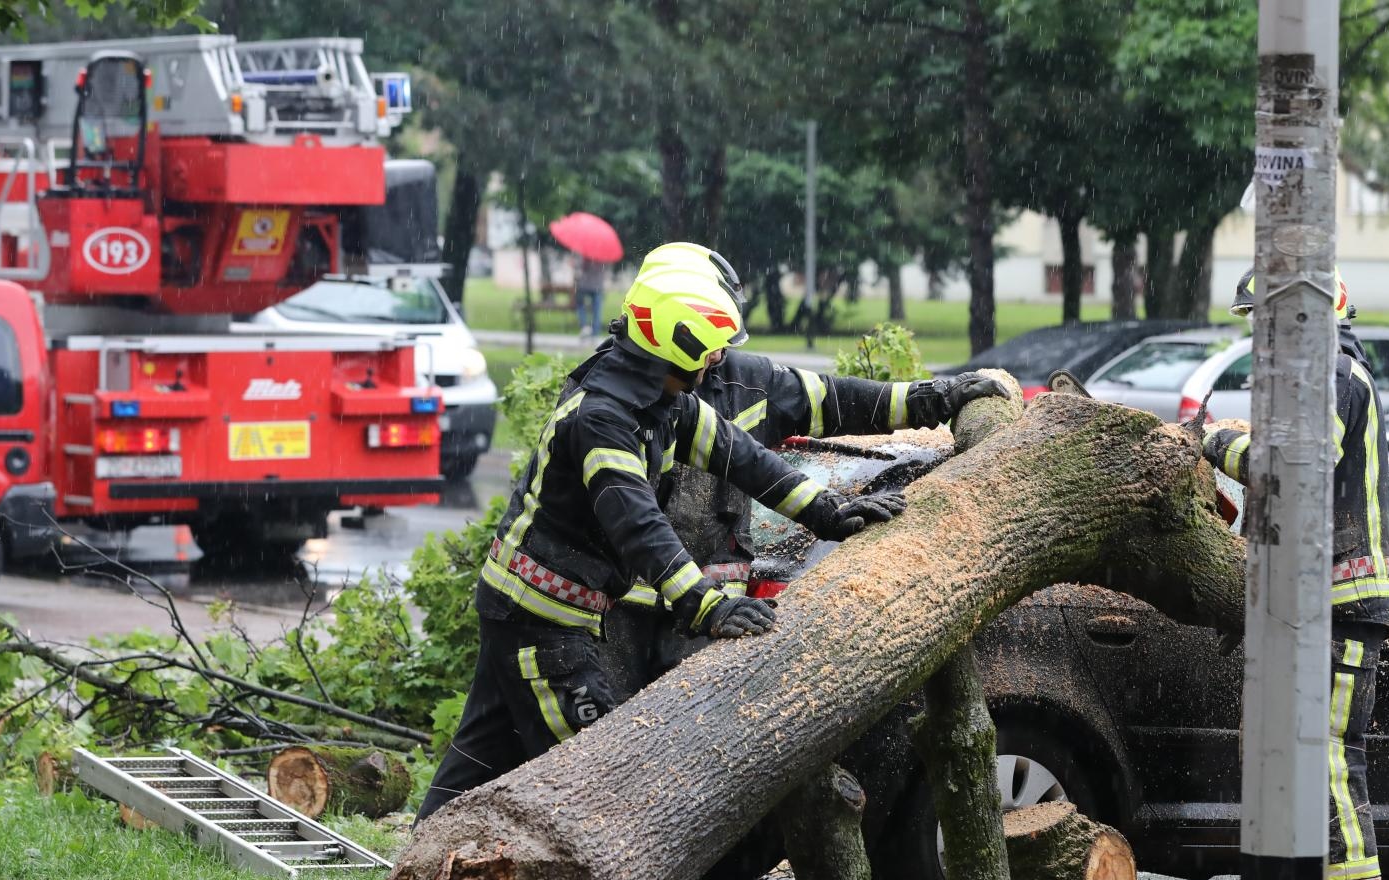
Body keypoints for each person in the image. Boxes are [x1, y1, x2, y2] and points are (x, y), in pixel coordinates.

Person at [416, 263, 907, 822]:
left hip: (532, 612)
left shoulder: (658, 398)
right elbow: (639, 526)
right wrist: (706, 606)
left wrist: (829, 512)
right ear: (680, 341)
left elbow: (742, 458)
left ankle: (413, 874)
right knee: (598, 780)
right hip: (540, 624)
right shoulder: (604, 418)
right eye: (714, 348)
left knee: (477, 760)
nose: (720, 359)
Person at [596, 242, 1011, 705]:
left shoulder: (748, 383)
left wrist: (932, 398)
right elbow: (629, 518)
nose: (716, 354)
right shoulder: (610, 399)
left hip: (712, 623)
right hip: (616, 616)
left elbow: (835, 400)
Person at [1202, 267, 1389, 880]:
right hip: (1307, 605)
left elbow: (1293, 473)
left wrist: (1218, 445)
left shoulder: (1330, 375)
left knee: (1332, 765)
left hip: (1339, 607)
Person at [573, 253, 608, 337]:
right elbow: (605, 268)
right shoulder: (603, 255)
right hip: (597, 286)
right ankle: (595, 331)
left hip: (584, 285)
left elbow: (579, 267)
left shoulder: (585, 254)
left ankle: (584, 326)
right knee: (597, 309)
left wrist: (576, 263)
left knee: (580, 305)